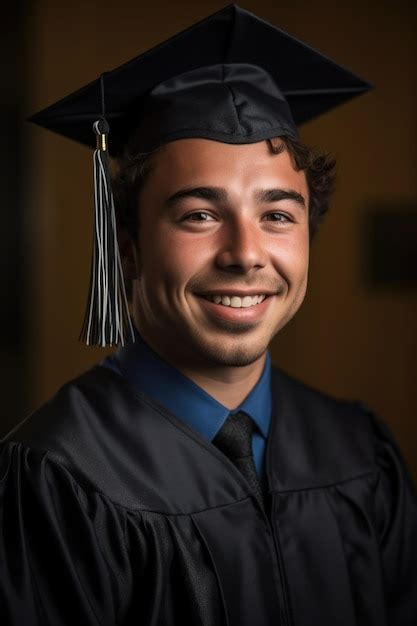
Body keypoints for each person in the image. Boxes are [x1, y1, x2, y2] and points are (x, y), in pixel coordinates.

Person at [1, 5, 416, 625]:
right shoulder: (58, 478)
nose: (246, 254)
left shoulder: (359, 451)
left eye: (277, 215)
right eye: (199, 214)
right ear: (130, 247)